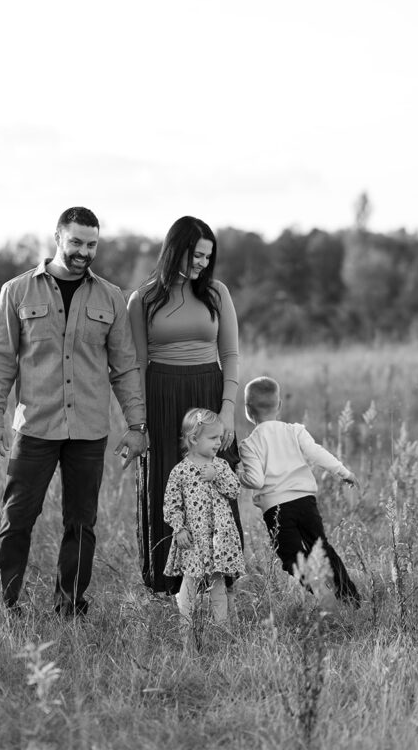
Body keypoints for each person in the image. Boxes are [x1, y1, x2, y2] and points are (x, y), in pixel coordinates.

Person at [0, 206, 147, 617]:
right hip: (35, 426)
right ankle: (4, 604)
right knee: (17, 518)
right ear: (58, 238)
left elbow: (125, 367)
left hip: (89, 430)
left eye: (92, 245)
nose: (84, 252)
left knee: (81, 524)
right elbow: (0, 361)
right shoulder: (17, 291)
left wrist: (136, 425)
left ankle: (70, 606)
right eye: (76, 242)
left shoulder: (111, 297)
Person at [127, 215, 241, 596]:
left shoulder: (217, 293)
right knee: (168, 485)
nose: (203, 264)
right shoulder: (142, 299)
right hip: (162, 398)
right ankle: (173, 585)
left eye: (208, 257)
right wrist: (138, 423)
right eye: (197, 255)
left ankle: (218, 579)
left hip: (208, 394)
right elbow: (137, 365)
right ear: (176, 250)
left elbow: (231, 355)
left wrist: (227, 410)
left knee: (214, 483)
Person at [237, 375, 361, 605]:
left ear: (247, 409)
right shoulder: (294, 431)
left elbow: (255, 480)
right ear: (279, 405)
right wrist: (343, 472)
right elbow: (317, 453)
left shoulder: (249, 444)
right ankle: (350, 598)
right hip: (305, 502)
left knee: (291, 556)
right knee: (321, 547)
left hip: (276, 509)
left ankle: (324, 595)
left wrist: (239, 477)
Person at [163, 409, 245, 624]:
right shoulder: (180, 471)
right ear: (193, 439)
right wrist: (179, 529)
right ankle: (186, 626)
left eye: (220, 437)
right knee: (190, 583)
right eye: (213, 438)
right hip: (194, 539)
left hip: (218, 539)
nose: (218, 442)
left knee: (218, 583)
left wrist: (217, 476)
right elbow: (172, 505)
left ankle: (221, 627)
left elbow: (235, 490)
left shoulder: (220, 465)